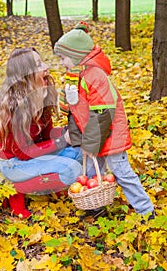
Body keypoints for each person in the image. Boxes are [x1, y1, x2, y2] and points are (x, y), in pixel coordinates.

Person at [54, 22, 155, 219]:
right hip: (94, 135)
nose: (61, 62)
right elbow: (76, 112)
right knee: (93, 170)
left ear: (76, 56)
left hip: (110, 135)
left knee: (121, 172)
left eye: (63, 58)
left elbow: (103, 113)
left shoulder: (95, 75)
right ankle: (96, 206)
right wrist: (82, 139)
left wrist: (90, 143)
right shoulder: (76, 76)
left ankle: (146, 211)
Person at [0, 47, 82, 218]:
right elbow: (22, 152)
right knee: (72, 170)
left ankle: (51, 183)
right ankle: (14, 189)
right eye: (39, 65)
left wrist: (67, 132)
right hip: (14, 162)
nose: (46, 67)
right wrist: (61, 141)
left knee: (78, 152)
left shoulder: (42, 93)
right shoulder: (11, 108)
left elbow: (45, 134)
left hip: (32, 154)